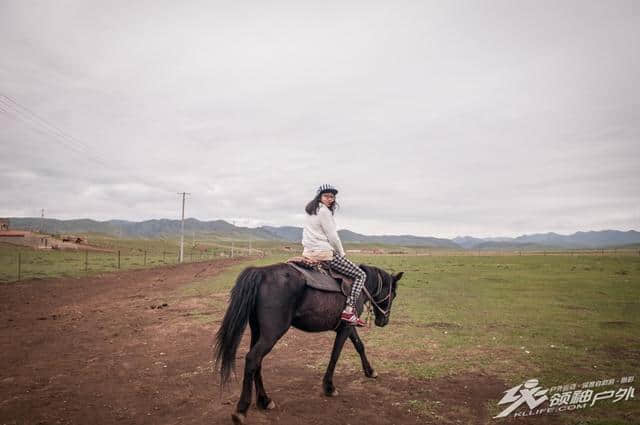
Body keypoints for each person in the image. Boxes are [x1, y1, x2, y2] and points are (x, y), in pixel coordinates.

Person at [302, 184, 367, 326]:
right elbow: (333, 237)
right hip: (324, 253)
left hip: (308, 252)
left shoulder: (310, 211)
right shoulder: (324, 211)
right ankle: (349, 310)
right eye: (326, 196)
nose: (330, 199)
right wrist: (342, 253)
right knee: (360, 275)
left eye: (332, 196)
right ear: (319, 197)